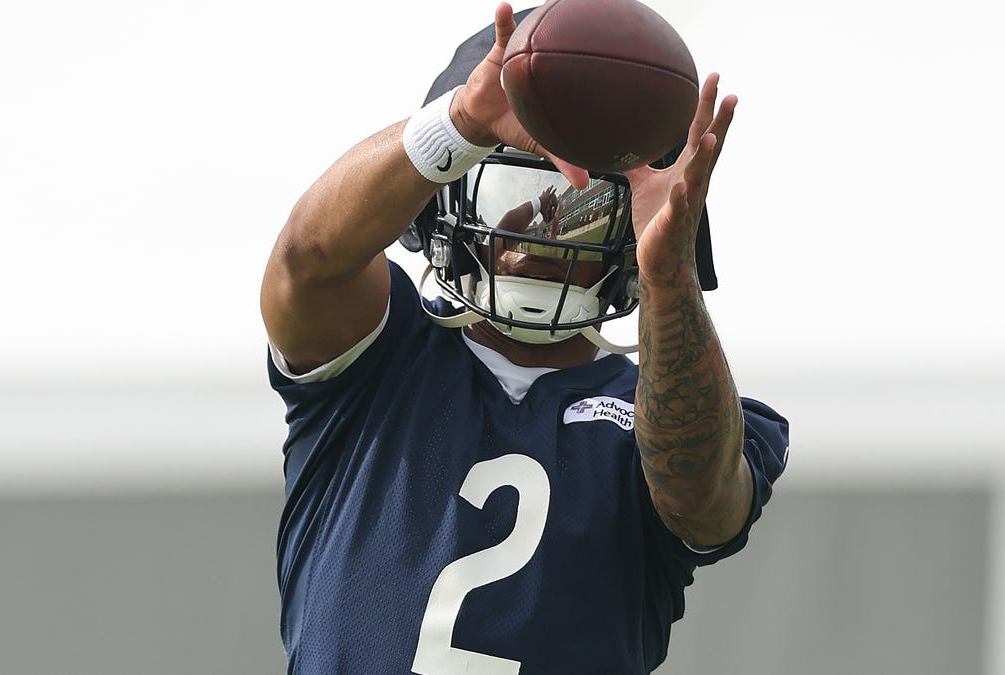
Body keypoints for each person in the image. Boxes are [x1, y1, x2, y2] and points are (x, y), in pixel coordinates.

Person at [260, 4, 789, 673]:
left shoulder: (665, 409)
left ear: (628, 236)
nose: (538, 230)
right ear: (446, 200)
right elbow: (305, 262)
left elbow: (703, 500)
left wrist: (670, 277)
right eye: (508, 188)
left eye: (581, 207)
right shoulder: (380, 349)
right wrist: (458, 123)